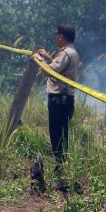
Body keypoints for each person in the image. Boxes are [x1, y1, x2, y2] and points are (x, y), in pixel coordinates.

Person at [33, 23, 81, 168]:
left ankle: (60, 167)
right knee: (63, 133)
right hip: (66, 99)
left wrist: (38, 59)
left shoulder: (65, 53)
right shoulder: (71, 52)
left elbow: (50, 72)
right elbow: (59, 68)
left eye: (57, 35)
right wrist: (47, 56)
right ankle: (63, 164)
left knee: (56, 133)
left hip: (59, 99)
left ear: (61, 37)